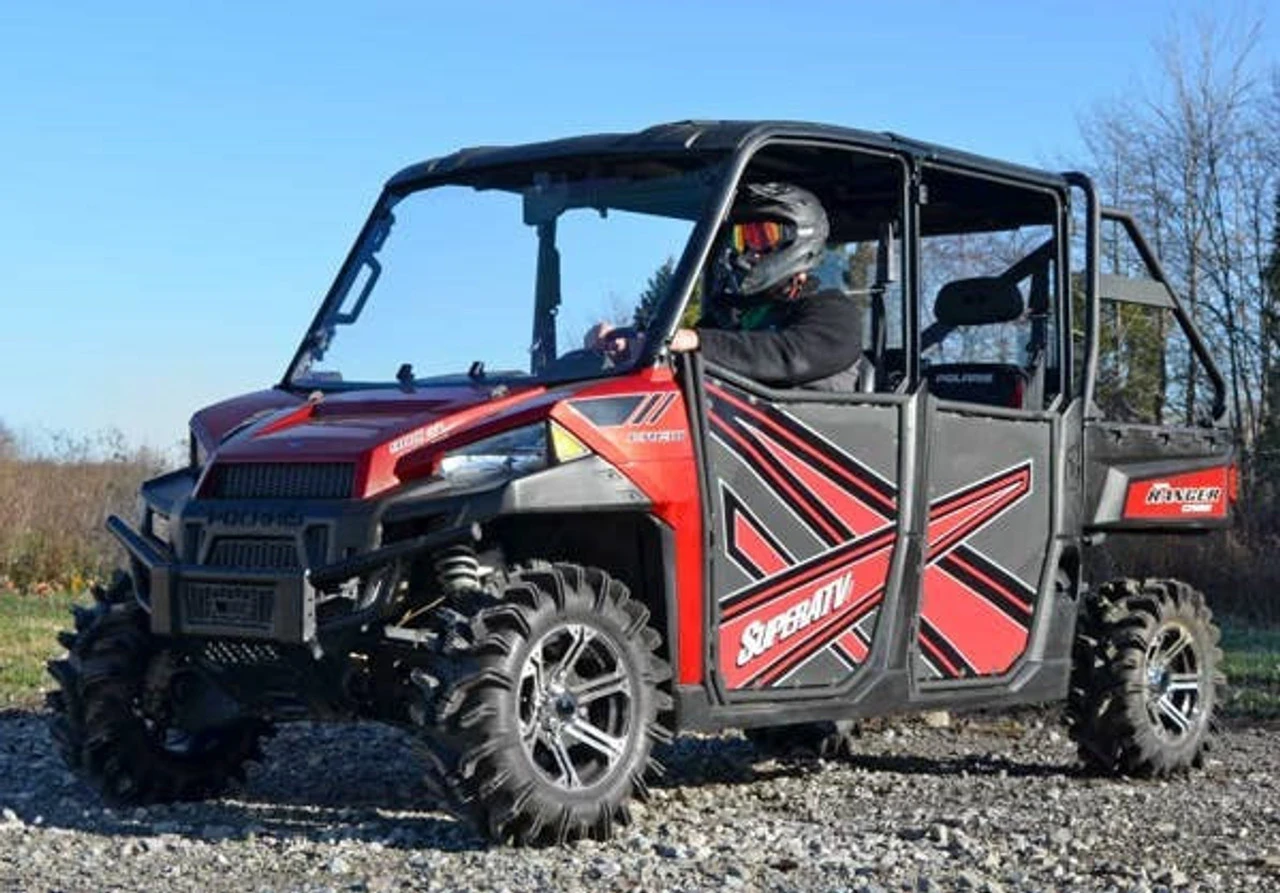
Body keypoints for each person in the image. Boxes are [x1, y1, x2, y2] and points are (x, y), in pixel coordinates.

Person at [587, 182, 864, 390]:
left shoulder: (833, 312)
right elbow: (676, 347)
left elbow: (788, 355)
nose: (747, 251)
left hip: (809, 451)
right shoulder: (731, 315)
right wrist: (629, 343)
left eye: (761, 237)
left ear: (799, 239)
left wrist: (696, 342)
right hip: (731, 446)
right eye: (741, 239)